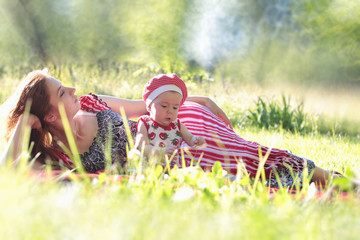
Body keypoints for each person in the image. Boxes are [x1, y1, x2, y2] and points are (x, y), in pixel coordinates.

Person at [2, 69, 340, 187]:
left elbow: (146, 105)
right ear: (46, 116)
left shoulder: (91, 102)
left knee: (243, 155)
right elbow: (6, 174)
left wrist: (198, 100)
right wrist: (22, 127)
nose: (73, 91)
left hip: (180, 132)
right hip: (166, 164)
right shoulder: (56, 156)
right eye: (62, 92)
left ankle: (334, 179)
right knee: (236, 172)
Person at [134, 74, 206, 167]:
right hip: (150, 168)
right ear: (149, 106)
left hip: (173, 169)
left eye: (175, 107)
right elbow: (140, 147)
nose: (170, 111)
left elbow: (189, 139)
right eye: (164, 106)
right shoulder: (145, 122)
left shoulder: (177, 125)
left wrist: (196, 140)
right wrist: (159, 151)